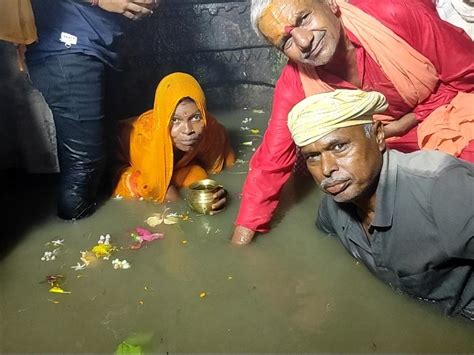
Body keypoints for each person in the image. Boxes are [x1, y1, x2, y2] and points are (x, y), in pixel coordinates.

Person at [231, 0, 474, 245]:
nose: (304, 41)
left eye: (304, 19)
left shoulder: (394, 12)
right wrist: (241, 242)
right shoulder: (295, 83)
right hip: (383, 148)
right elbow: (270, 162)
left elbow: (468, 73)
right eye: (287, 41)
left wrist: (411, 119)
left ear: (330, 3)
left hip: (453, 117)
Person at [287, 89, 474, 320]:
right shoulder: (333, 206)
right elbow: (322, 252)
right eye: (312, 157)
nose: (326, 169)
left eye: (339, 147)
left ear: (377, 136)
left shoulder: (442, 190)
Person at [25, 0, 159, 220]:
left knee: (107, 154)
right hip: (66, 45)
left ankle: (107, 233)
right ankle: (75, 240)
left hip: (101, 44)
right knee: (85, 164)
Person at [112, 72, 235, 210]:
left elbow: (230, 166)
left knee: (198, 175)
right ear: (164, 120)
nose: (188, 130)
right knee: (138, 187)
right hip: (119, 164)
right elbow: (160, 190)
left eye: (195, 118)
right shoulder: (145, 138)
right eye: (175, 120)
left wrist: (223, 195)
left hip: (172, 167)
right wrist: (190, 210)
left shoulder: (209, 127)